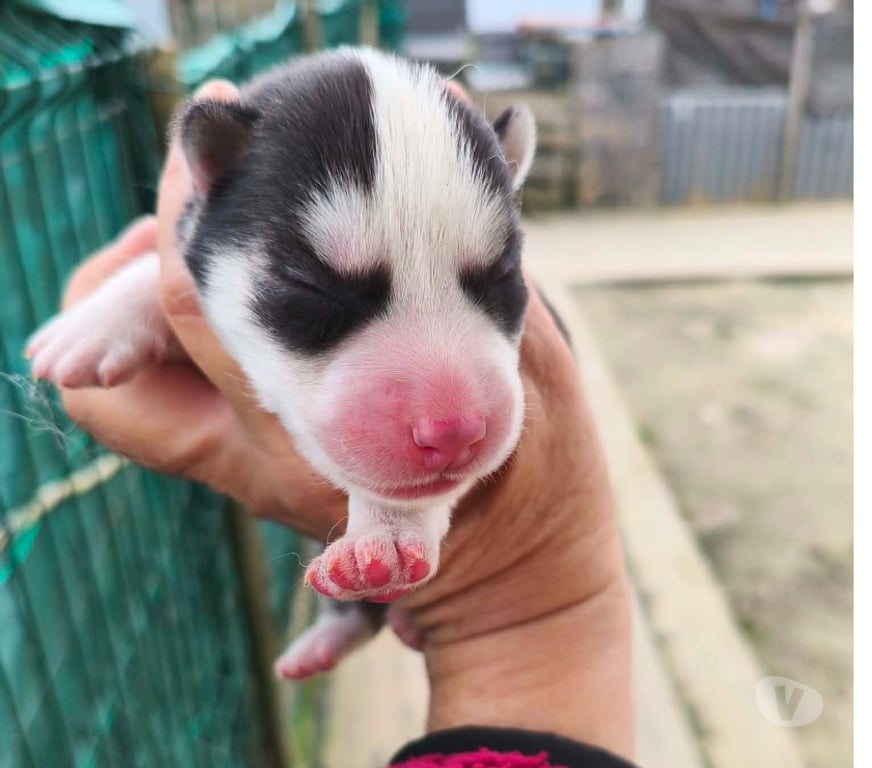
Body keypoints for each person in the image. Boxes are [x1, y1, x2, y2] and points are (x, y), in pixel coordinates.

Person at [57, 81, 635, 768]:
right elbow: (182, 263)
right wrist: (137, 304)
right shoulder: (224, 220)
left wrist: (456, 556)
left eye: (493, 276)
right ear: (211, 167)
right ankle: (357, 613)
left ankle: (363, 608)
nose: (448, 419)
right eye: (318, 292)